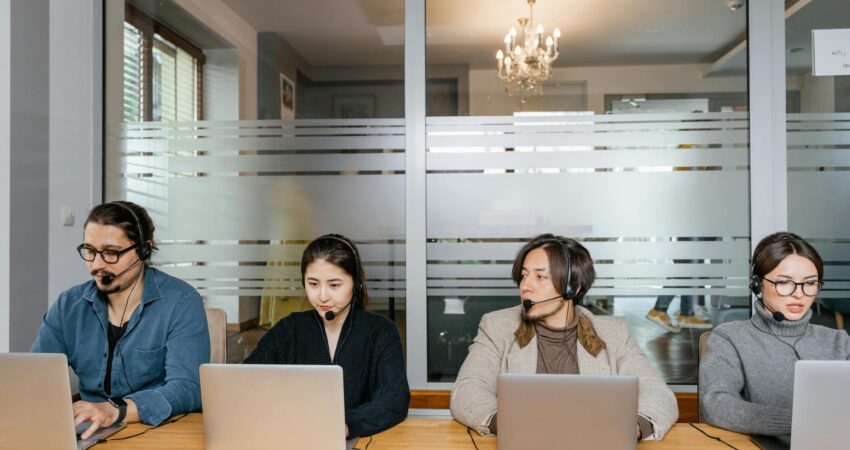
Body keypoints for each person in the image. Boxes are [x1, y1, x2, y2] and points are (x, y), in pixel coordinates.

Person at [450, 234, 678, 440]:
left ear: (573, 288)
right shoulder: (497, 326)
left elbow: (658, 394)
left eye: (540, 277)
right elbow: (468, 389)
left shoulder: (612, 333)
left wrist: (633, 427)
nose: (525, 286)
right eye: (524, 275)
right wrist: (509, 424)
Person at [31, 201, 210, 439]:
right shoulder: (69, 305)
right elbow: (34, 376)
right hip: (89, 431)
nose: (96, 265)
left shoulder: (181, 302)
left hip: (158, 431)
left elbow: (188, 388)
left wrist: (115, 410)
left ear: (144, 251)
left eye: (111, 253)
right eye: (90, 251)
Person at [244, 234, 410, 438]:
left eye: (334, 285)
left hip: (357, 440)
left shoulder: (380, 331)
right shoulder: (289, 328)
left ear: (355, 283)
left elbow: (395, 398)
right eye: (313, 284)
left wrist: (347, 425)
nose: (322, 296)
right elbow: (245, 382)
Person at [700, 232, 850, 436]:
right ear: (758, 284)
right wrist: (802, 422)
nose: (799, 293)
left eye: (810, 283)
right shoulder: (730, 338)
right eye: (784, 282)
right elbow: (716, 405)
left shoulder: (839, 342)